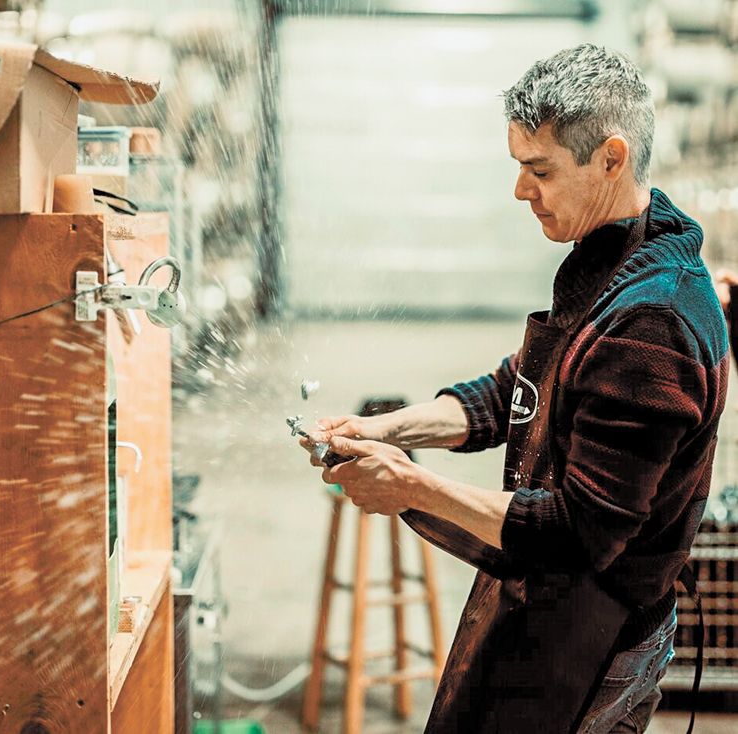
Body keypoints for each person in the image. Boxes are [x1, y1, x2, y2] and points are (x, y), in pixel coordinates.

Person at [302, 44, 729, 733]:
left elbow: (579, 532)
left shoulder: (652, 323)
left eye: (540, 170)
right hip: (559, 609)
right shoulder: (617, 252)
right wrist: (391, 430)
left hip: (599, 640)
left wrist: (410, 488)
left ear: (611, 159)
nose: (521, 191)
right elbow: (516, 392)